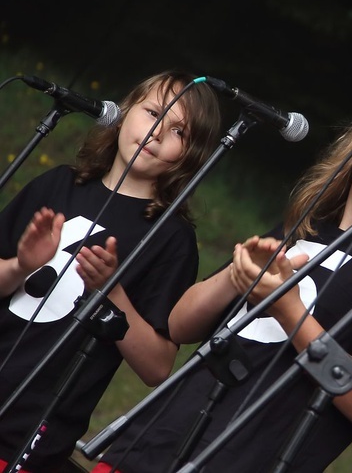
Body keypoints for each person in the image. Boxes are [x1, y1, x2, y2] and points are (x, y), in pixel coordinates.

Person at [94, 88, 352, 473]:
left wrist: (292, 314)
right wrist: (236, 278)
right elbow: (179, 325)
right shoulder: (300, 228)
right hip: (152, 443)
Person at [0, 70, 222, 472]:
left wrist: (111, 293)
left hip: (34, 422)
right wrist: (21, 266)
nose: (155, 133)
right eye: (152, 112)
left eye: (178, 131)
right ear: (124, 112)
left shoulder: (171, 238)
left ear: (191, 155)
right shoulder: (58, 184)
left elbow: (156, 367)